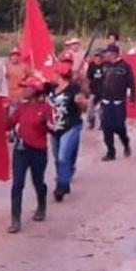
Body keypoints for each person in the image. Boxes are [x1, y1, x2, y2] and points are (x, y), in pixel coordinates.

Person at [6, 77, 52, 234]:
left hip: (38, 151)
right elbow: (7, 125)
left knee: (38, 181)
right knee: (17, 184)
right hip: (21, 150)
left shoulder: (46, 108)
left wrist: (45, 122)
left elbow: (54, 128)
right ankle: (15, 219)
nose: (23, 90)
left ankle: (42, 204)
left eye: (27, 87)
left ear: (35, 90)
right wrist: (4, 111)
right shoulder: (21, 108)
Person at [46, 63, 85, 202]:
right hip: (54, 128)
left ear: (59, 75)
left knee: (63, 157)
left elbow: (84, 107)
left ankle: (61, 186)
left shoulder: (73, 88)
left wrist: (80, 103)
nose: (51, 76)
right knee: (57, 159)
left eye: (53, 73)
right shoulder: (50, 87)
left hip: (71, 126)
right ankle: (65, 181)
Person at [98, 44, 135, 161]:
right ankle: (110, 152)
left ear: (113, 53)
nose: (105, 55)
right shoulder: (104, 66)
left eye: (107, 53)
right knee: (106, 127)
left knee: (119, 127)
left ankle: (125, 143)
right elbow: (97, 82)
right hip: (106, 101)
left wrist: (132, 98)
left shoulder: (125, 66)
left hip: (119, 102)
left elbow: (131, 84)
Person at [84, 50, 105, 130]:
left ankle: (102, 124)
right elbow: (88, 78)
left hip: (103, 90)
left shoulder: (105, 66)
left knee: (101, 109)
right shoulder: (91, 66)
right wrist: (87, 88)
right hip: (93, 90)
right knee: (90, 107)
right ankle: (91, 122)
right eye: (96, 57)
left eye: (99, 57)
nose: (98, 59)